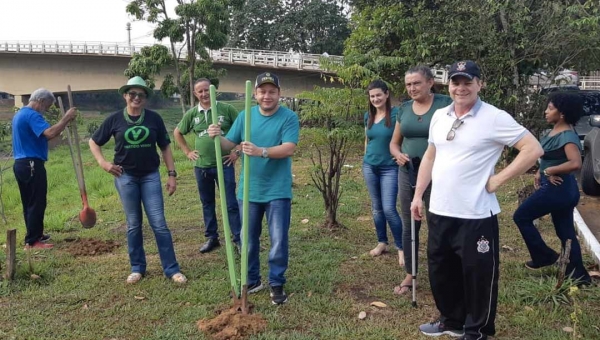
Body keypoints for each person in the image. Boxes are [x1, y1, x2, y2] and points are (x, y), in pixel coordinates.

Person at [410, 60, 543, 340]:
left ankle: (477, 330)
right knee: (441, 270)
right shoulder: (440, 116)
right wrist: (419, 194)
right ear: (449, 85)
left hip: (476, 214)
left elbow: (532, 148)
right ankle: (451, 320)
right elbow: (431, 156)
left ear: (480, 84)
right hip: (441, 209)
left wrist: (497, 180)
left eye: (467, 82)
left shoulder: (494, 117)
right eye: (456, 82)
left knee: (477, 276)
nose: (461, 88)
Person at [207, 72, 299, 305]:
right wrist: (217, 136)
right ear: (255, 94)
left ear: (279, 93)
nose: (267, 96)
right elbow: (230, 143)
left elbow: (289, 148)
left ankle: (276, 283)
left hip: (278, 191)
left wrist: (261, 151)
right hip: (248, 191)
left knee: (278, 239)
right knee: (247, 239)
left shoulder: (288, 117)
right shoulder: (245, 116)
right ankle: (252, 279)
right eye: (262, 91)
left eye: (272, 91)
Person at [89, 76, 186, 284]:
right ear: (125, 96)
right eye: (132, 94)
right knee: (133, 224)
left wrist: (171, 174)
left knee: (159, 223)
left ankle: (171, 269)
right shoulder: (114, 119)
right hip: (126, 177)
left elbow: (166, 147)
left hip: (150, 176)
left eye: (141, 95)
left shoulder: (154, 119)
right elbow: (93, 142)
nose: (136, 98)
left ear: (145, 99)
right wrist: (104, 164)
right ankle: (137, 267)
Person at [513, 92, 591, 284]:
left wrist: (549, 170)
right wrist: (541, 171)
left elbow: (575, 163)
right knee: (565, 232)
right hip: (561, 189)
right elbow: (549, 157)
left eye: (550, 108)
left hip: (559, 189)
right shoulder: (555, 130)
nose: (546, 111)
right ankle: (579, 275)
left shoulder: (567, 136)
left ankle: (543, 256)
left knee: (521, 216)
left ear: (562, 113)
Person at [390, 65, 453, 295]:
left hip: (439, 174)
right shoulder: (404, 109)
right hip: (408, 172)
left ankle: (443, 271)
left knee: (437, 222)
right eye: (408, 84)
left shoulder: (446, 104)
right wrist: (397, 154)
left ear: (430, 83)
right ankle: (411, 272)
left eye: (416, 83)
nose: (412, 88)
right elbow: (395, 142)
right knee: (409, 223)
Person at [173, 78, 242, 254]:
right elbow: (178, 132)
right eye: (200, 91)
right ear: (195, 94)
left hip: (224, 164)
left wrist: (237, 152)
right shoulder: (192, 114)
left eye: (206, 90)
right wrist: (188, 152)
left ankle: (238, 238)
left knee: (230, 203)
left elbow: (244, 130)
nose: (204, 94)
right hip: (202, 167)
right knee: (207, 203)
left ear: (213, 91)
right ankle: (212, 238)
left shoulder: (226, 109)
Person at [12, 88, 78, 250]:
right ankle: (33, 241)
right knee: (36, 201)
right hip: (31, 164)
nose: (46, 110)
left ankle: (34, 235)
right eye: (47, 106)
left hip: (21, 163)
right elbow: (49, 133)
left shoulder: (20, 114)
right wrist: (66, 119)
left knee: (29, 201)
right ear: (40, 101)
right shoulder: (32, 115)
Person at [362, 80, 403, 264]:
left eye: (379, 95)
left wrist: (401, 155)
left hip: (390, 168)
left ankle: (401, 247)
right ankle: (382, 242)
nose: (376, 99)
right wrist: (365, 158)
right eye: (372, 96)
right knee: (377, 208)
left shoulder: (396, 114)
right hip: (370, 166)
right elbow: (367, 140)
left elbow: (403, 137)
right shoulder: (368, 116)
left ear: (387, 94)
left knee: (389, 208)